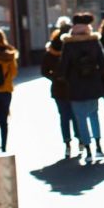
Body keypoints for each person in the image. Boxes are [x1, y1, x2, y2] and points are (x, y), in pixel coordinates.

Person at [60, 12, 104, 163]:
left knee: (80, 119)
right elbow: (103, 62)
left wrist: (68, 79)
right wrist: (96, 75)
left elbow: (63, 67)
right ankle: (99, 147)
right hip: (93, 86)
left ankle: (87, 149)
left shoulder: (68, 43)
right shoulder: (94, 41)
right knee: (94, 115)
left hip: (75, 87)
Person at [41, 17, 81, 158]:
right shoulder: (74, 45)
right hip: (74, 86)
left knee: (64, 116)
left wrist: (55, 77)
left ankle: (67, 143)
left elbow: (44, 71)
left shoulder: (51, 48)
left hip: (58, 88)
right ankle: (81, 140)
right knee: (77, 114)